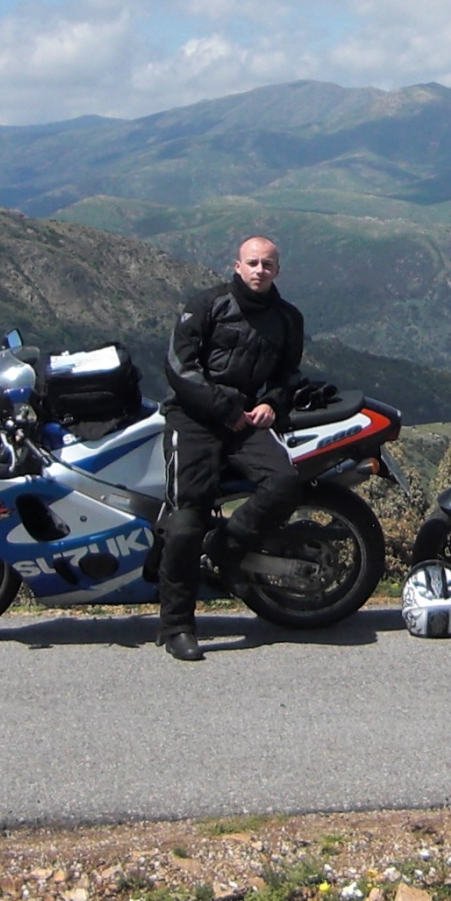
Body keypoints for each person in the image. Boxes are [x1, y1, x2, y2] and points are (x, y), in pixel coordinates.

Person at [155, 234, 312, 663]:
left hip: (246, 419)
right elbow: (179, 368)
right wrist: (225, 408)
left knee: (283, 483)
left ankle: (225, 547)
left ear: (278, 270)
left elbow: (287, 376)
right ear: (237, 266)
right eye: (253, 263)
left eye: (268, 264)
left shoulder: (287, 318)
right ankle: (177, 627)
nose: (260, 270)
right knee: (187, 516)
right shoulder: (206, 305)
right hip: (195, 418)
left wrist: (270, 404)